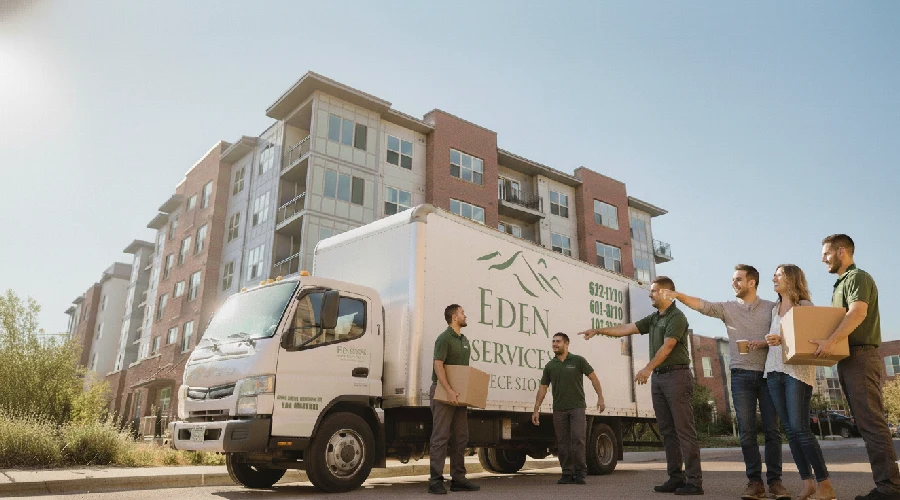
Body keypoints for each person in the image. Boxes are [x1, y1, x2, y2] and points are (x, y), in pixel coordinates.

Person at [661, 265, 789, 500]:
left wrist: (763, 342)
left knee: (772, 431)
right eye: (733, 279)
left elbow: (785, 333)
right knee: (747, 432)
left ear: (752, 282)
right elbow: (703, 305)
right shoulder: (727, 309)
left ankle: (776, 482)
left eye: (738, 279)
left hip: (768, 374)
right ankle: (754, 483)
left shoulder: (773, 308)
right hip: (740, 375)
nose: (733, 283)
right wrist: (678, 295)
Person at [580, 276, 703, 496]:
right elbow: (627, 328)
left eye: (654, 291)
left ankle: (694, 482)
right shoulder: (655, 318)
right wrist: (598, 330)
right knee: (667, 431)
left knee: (684, 430)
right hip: (660, 378)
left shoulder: (677, 317)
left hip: (677, 376)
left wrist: (647, 368)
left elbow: (668, 347)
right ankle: (676, 478)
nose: (650, 294)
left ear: (666, 293)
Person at [813, 234, 900, 500]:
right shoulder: (839, 284)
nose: (822, 259)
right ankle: (888, 485)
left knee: (872, 424)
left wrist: (831, 341)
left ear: (842, 252)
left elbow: (858, 313)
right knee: (866, 424)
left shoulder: (857, 277)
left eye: (826, 253)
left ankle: (890, 488)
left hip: (861, 356)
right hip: (849, 359)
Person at [760, 265, 836, 500]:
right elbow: (777, 340)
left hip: (797, 372)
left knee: (801, 429)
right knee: (791, 433)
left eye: (779, 274)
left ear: (792, 278)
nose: (774, 277)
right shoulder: (774, 309)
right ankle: (807, 483)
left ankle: (825, 484)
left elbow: (809, 338)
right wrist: (762, 342)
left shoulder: (804, 306)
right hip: (773, 371)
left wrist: (782, 339)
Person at [531, 332, 606, 485]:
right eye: (553, 342)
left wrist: (600, 397)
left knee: (578, 439)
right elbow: (543, 388)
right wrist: (536, 409)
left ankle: (580, 473)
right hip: (559, 409)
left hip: (577, 408)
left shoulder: (578, 361)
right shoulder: (550, 366)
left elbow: (593, 378)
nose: (555, 344)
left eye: (558, 341)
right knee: (563, 442)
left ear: (566, 344)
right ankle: (566, 473)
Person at [428, 304, 480, 495]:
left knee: (461, 437)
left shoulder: (464, 340)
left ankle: (458, 479)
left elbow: (462, 371)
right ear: (454, 317)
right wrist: (448, 390)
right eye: (462, 313)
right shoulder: (444, 338)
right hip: (443, 392)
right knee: (440, 437)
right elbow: (438, 365)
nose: (465, 315)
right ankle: (435, 481)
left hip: (459, 395)